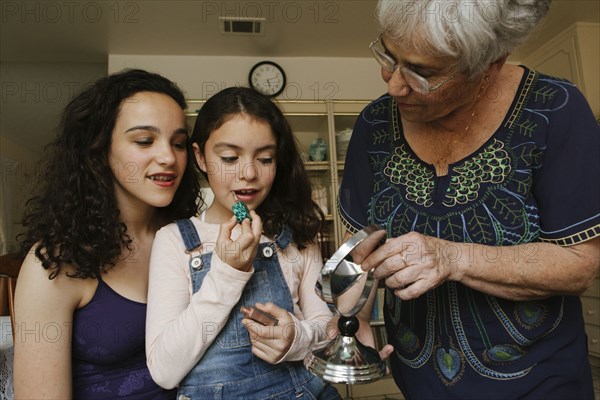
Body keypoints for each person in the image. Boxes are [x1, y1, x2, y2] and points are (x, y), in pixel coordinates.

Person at [338, 1, 600, 399]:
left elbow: (579, 266)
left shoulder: (553, 109)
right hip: (419, 385)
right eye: (390, 56)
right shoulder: (374, 126)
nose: (393, 84)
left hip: (539, 384)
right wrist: (351, 317)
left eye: (422, 72)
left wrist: (453, 257)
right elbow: (360, 247)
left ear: (490, 64)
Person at [13, 69, 200, 399]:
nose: (168, 157)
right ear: (99, 150)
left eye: (179, 143)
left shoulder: (190, 238)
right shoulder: (55, 263)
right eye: (144, 141)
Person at [146, 87, 341, 399]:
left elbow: (327, 329)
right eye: (229, 158)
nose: (249, 173)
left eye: (265, 158)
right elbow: (164, 371)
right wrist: (227, 272)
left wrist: (297, 338)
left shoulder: (296, 236)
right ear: (200, 157)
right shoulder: (174, 241)